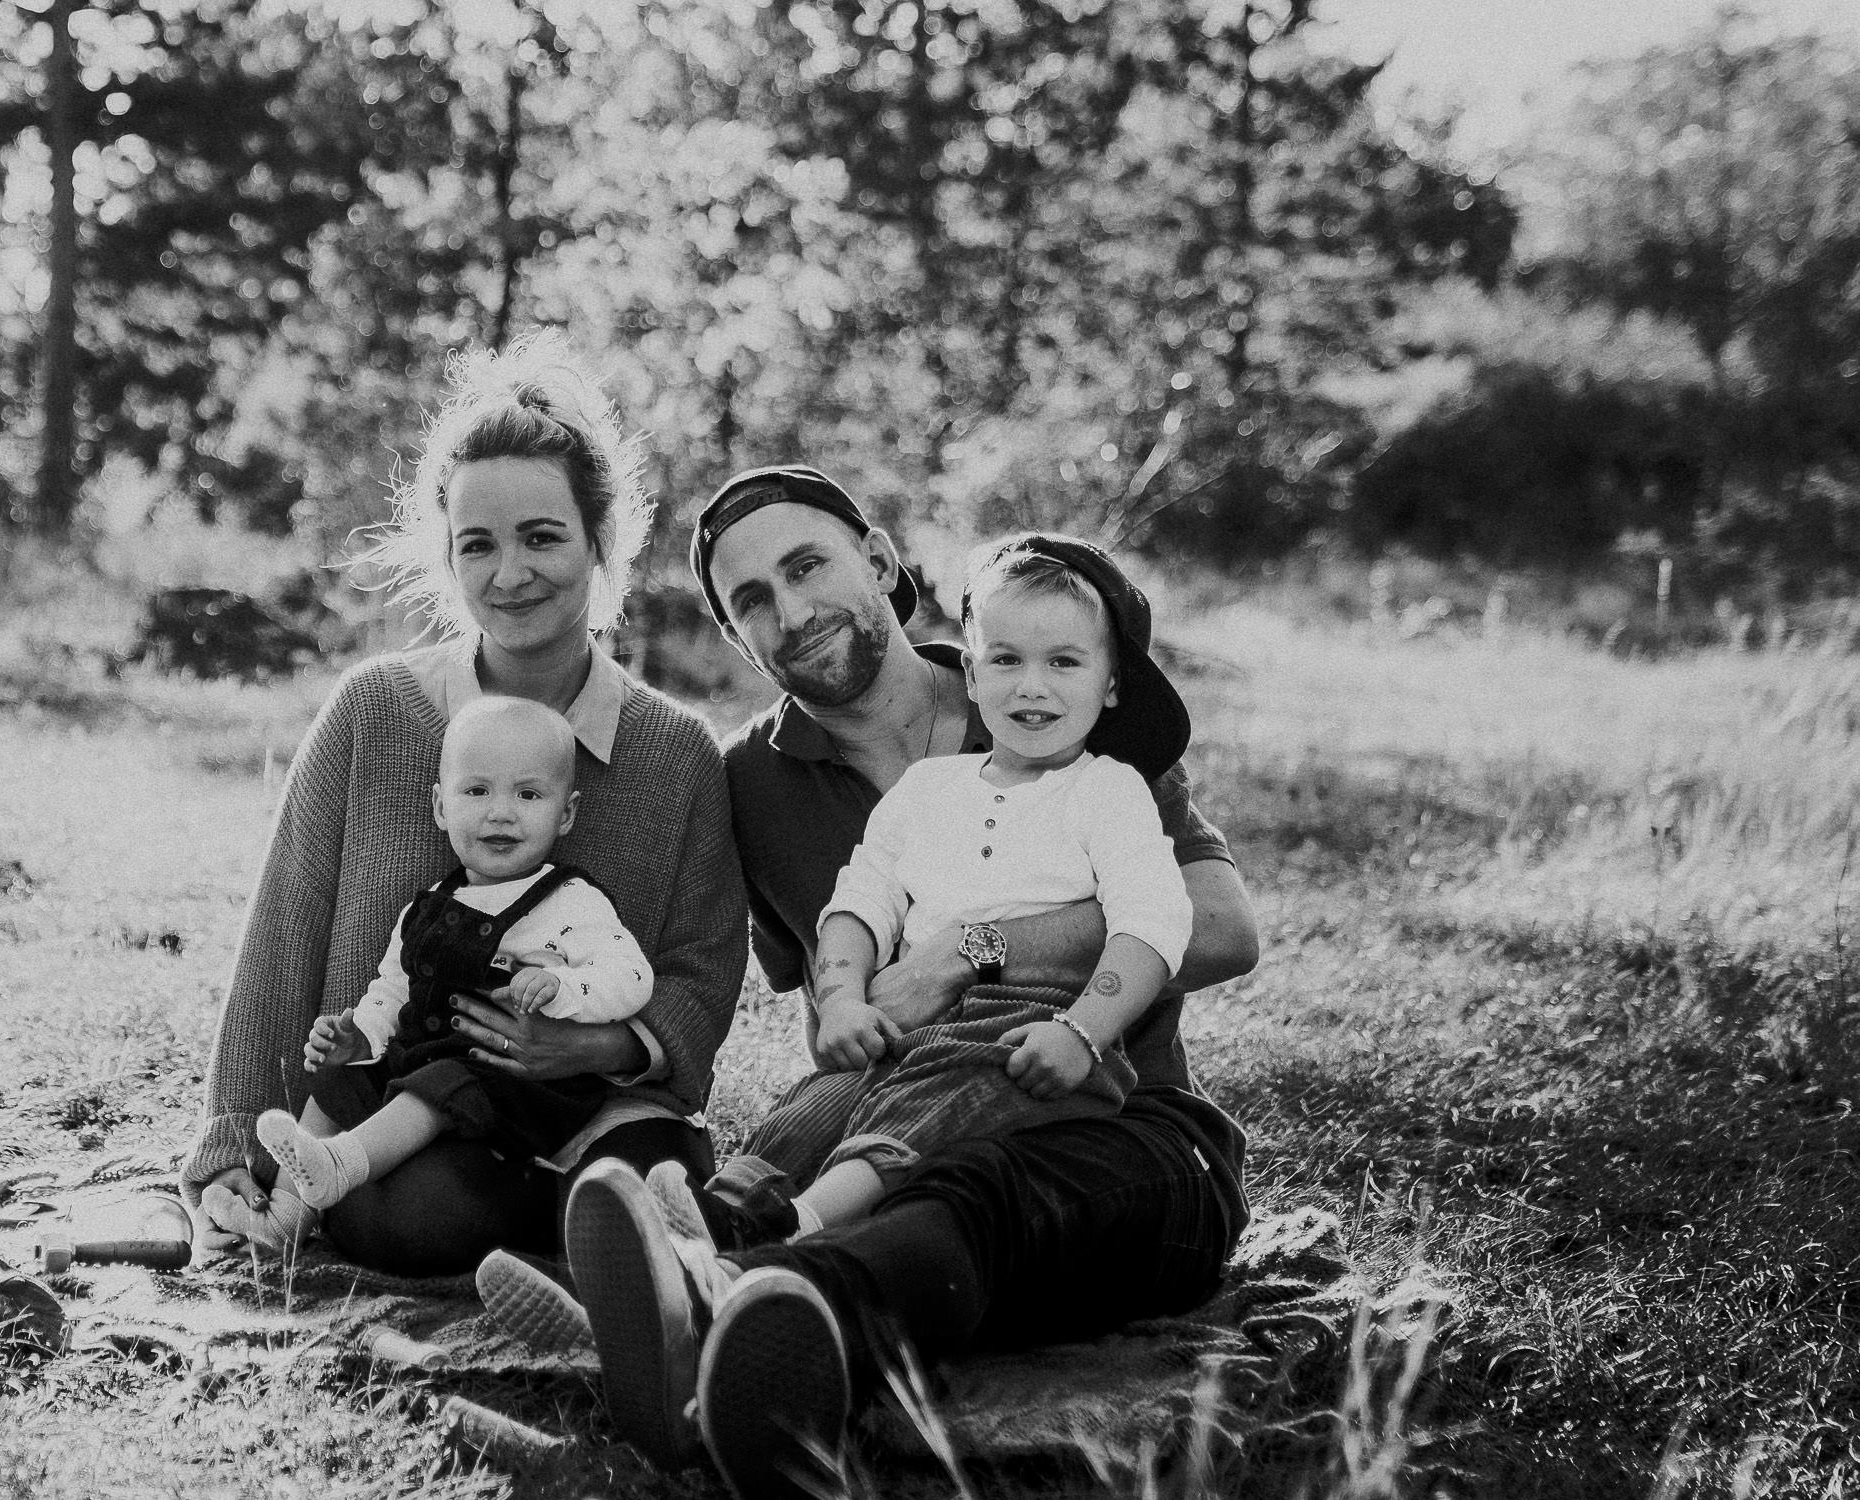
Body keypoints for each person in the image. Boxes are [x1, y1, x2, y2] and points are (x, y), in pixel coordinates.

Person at [535, 465, 1259, 1494]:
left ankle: (737, 1305)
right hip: (910, 1132)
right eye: (752, 601)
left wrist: (970, 951)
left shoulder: (1041, 686)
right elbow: (793, 985)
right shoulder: (753, 783)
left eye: (806, 566)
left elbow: (1225, 927)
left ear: (876, 558)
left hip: (1126, 1128)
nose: (789, 611)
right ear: (738, 639)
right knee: (885, 1168)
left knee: (981, 1191)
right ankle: (730, 1306)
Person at [182, 333, 747, 1276]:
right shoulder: (375, 712)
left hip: (594, 1111)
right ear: (446, 555)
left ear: (602, 541)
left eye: (542, 536)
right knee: (423, 1218)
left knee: (650, 1176)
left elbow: (701, 971)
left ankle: (637, 1271)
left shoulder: (676, 752)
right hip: (399, 1116)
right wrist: (230, 1147)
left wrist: (594, 1043)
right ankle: (579, 1256)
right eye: (477, 544)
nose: (509, 572)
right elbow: (284, 939)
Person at [656, 535, 1195, 1250]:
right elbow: (861, 901)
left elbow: (1152, 924)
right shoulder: (927, 791)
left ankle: (797, 1231)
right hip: (913, 1034)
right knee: (812, 1108)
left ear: (1112, 683)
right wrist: (844, 997)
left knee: (926, 1110)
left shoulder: (1108, 791)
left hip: (1030, 1034)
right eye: (1005, 661)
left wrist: (1085, 1031)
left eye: (1064, 663)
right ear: (971, 675)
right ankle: (701, 1228)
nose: (1032, 686)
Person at [238, 695, 655, 1223]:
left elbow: (632, 976)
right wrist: (360, 1036)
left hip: (518, 1088)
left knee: (442, 1082)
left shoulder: (570, 901)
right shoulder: (428, 904)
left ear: (566, 813)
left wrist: (563, 990)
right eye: (476, 791)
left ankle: (341, 1165)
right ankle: (286, 1217)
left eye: (528, 794)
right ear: (441, 806)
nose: (500, 812)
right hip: (425, 1066)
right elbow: (392, 989)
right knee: (339, 1084)